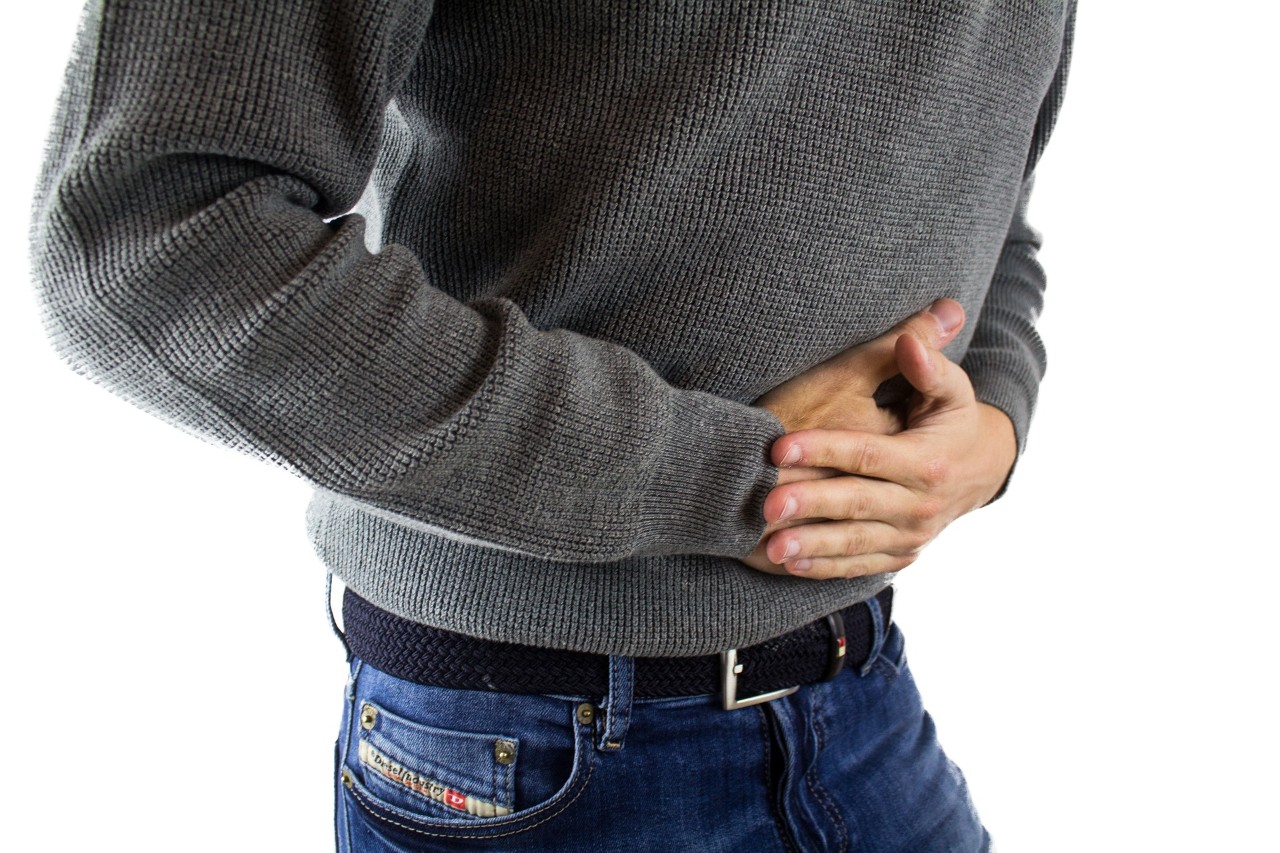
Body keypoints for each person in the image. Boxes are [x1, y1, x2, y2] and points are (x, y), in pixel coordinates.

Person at [31, 1, 1075, 850]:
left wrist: (990, 421)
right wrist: (738, 480)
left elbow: (986, 196)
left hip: (861, 695)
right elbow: (151, 243)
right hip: (537, 736)